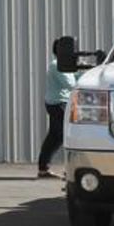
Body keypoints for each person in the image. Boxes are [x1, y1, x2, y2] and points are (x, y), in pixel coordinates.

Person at [37, 39, 79, 179]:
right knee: (63, 135)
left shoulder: (63, 65)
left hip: (60, 103)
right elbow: (70, 83)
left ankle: (43, 168)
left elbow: (74, 78)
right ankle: (67, 169)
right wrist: (78, 72)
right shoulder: (57, 65)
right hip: (58, 104)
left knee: (55, 136)